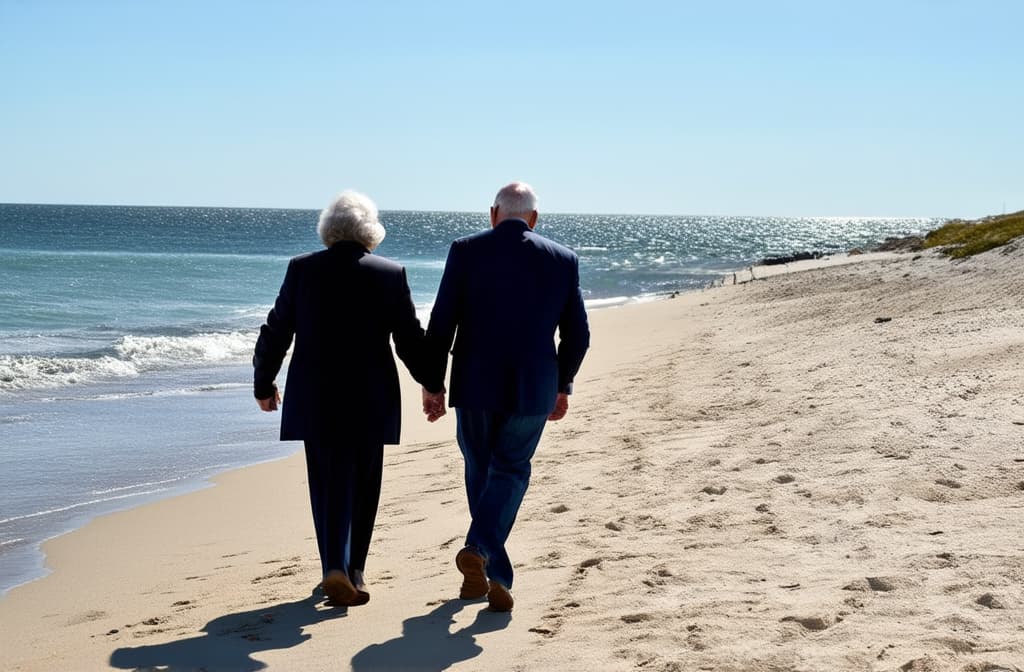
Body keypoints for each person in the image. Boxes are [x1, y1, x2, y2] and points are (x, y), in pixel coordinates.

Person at [253, 190, 441, 607]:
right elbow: (410, 340)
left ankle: (332, 566)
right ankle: (354, 569)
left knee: (326, 482)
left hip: (315, 395)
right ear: (370, 232)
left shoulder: (302, 269)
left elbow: (276, 330)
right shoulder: (390, 273)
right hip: (371, 397)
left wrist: (263, 383)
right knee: (364, 484)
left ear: (328, 231)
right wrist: (432, 384)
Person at [421, 182, 590, 612]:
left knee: (481, 469)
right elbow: (578, 335)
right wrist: (562, 383)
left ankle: (483, 566)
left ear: (493, 213)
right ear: (534, 218)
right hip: (533, 384)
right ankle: (487, 563)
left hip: (475, 383)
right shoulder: (563, 259)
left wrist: (433, 383)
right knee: (511, 470)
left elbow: (442, 322)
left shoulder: (465, 250)